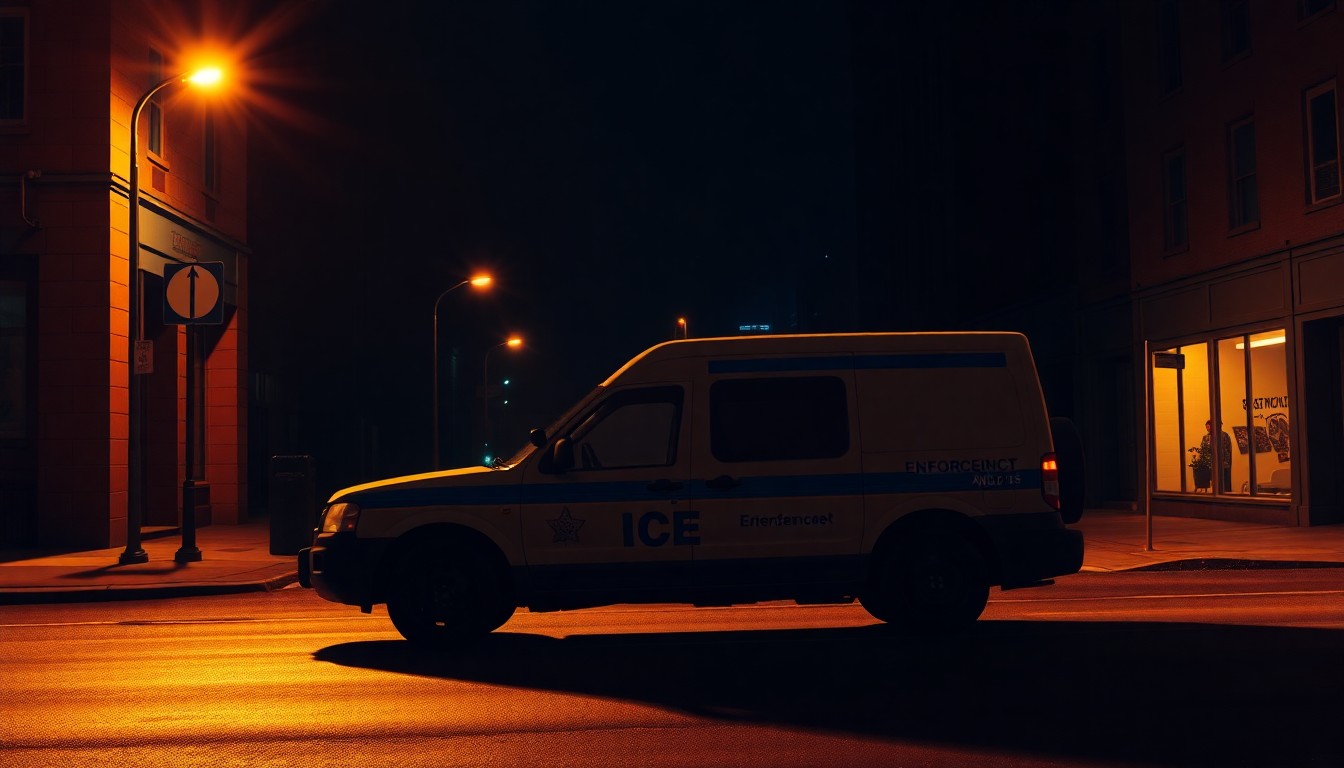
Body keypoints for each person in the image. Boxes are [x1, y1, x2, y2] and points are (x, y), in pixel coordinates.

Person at [1200, 419, 1233, 492]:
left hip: (1224, 465)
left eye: (1208, 427)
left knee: (1225, 485)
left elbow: (1228, 451)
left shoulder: (1225, 435)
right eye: (1206, 427)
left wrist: (1225, 463)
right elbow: (1203, 450)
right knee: (1214, 485)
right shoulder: (1206, 437)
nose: (1207, 429)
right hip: (1211, 465)